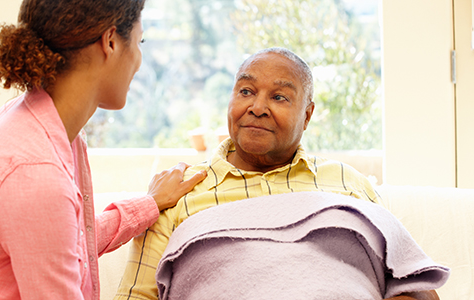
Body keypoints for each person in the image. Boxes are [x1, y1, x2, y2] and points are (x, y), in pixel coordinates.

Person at [0, 0, 206, 299]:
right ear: (110, 42)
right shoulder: (34, 173)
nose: (138, 59)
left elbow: (67, 245)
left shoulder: (38, 123)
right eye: (140, 41)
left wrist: (150, 203)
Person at [114, 47, 439, 300]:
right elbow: (136, 295)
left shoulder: (347, 182)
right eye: (245, 91)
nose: (257, 106)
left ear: (307, 115)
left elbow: (414, 283)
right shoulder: (179, 192)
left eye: (279, 97)